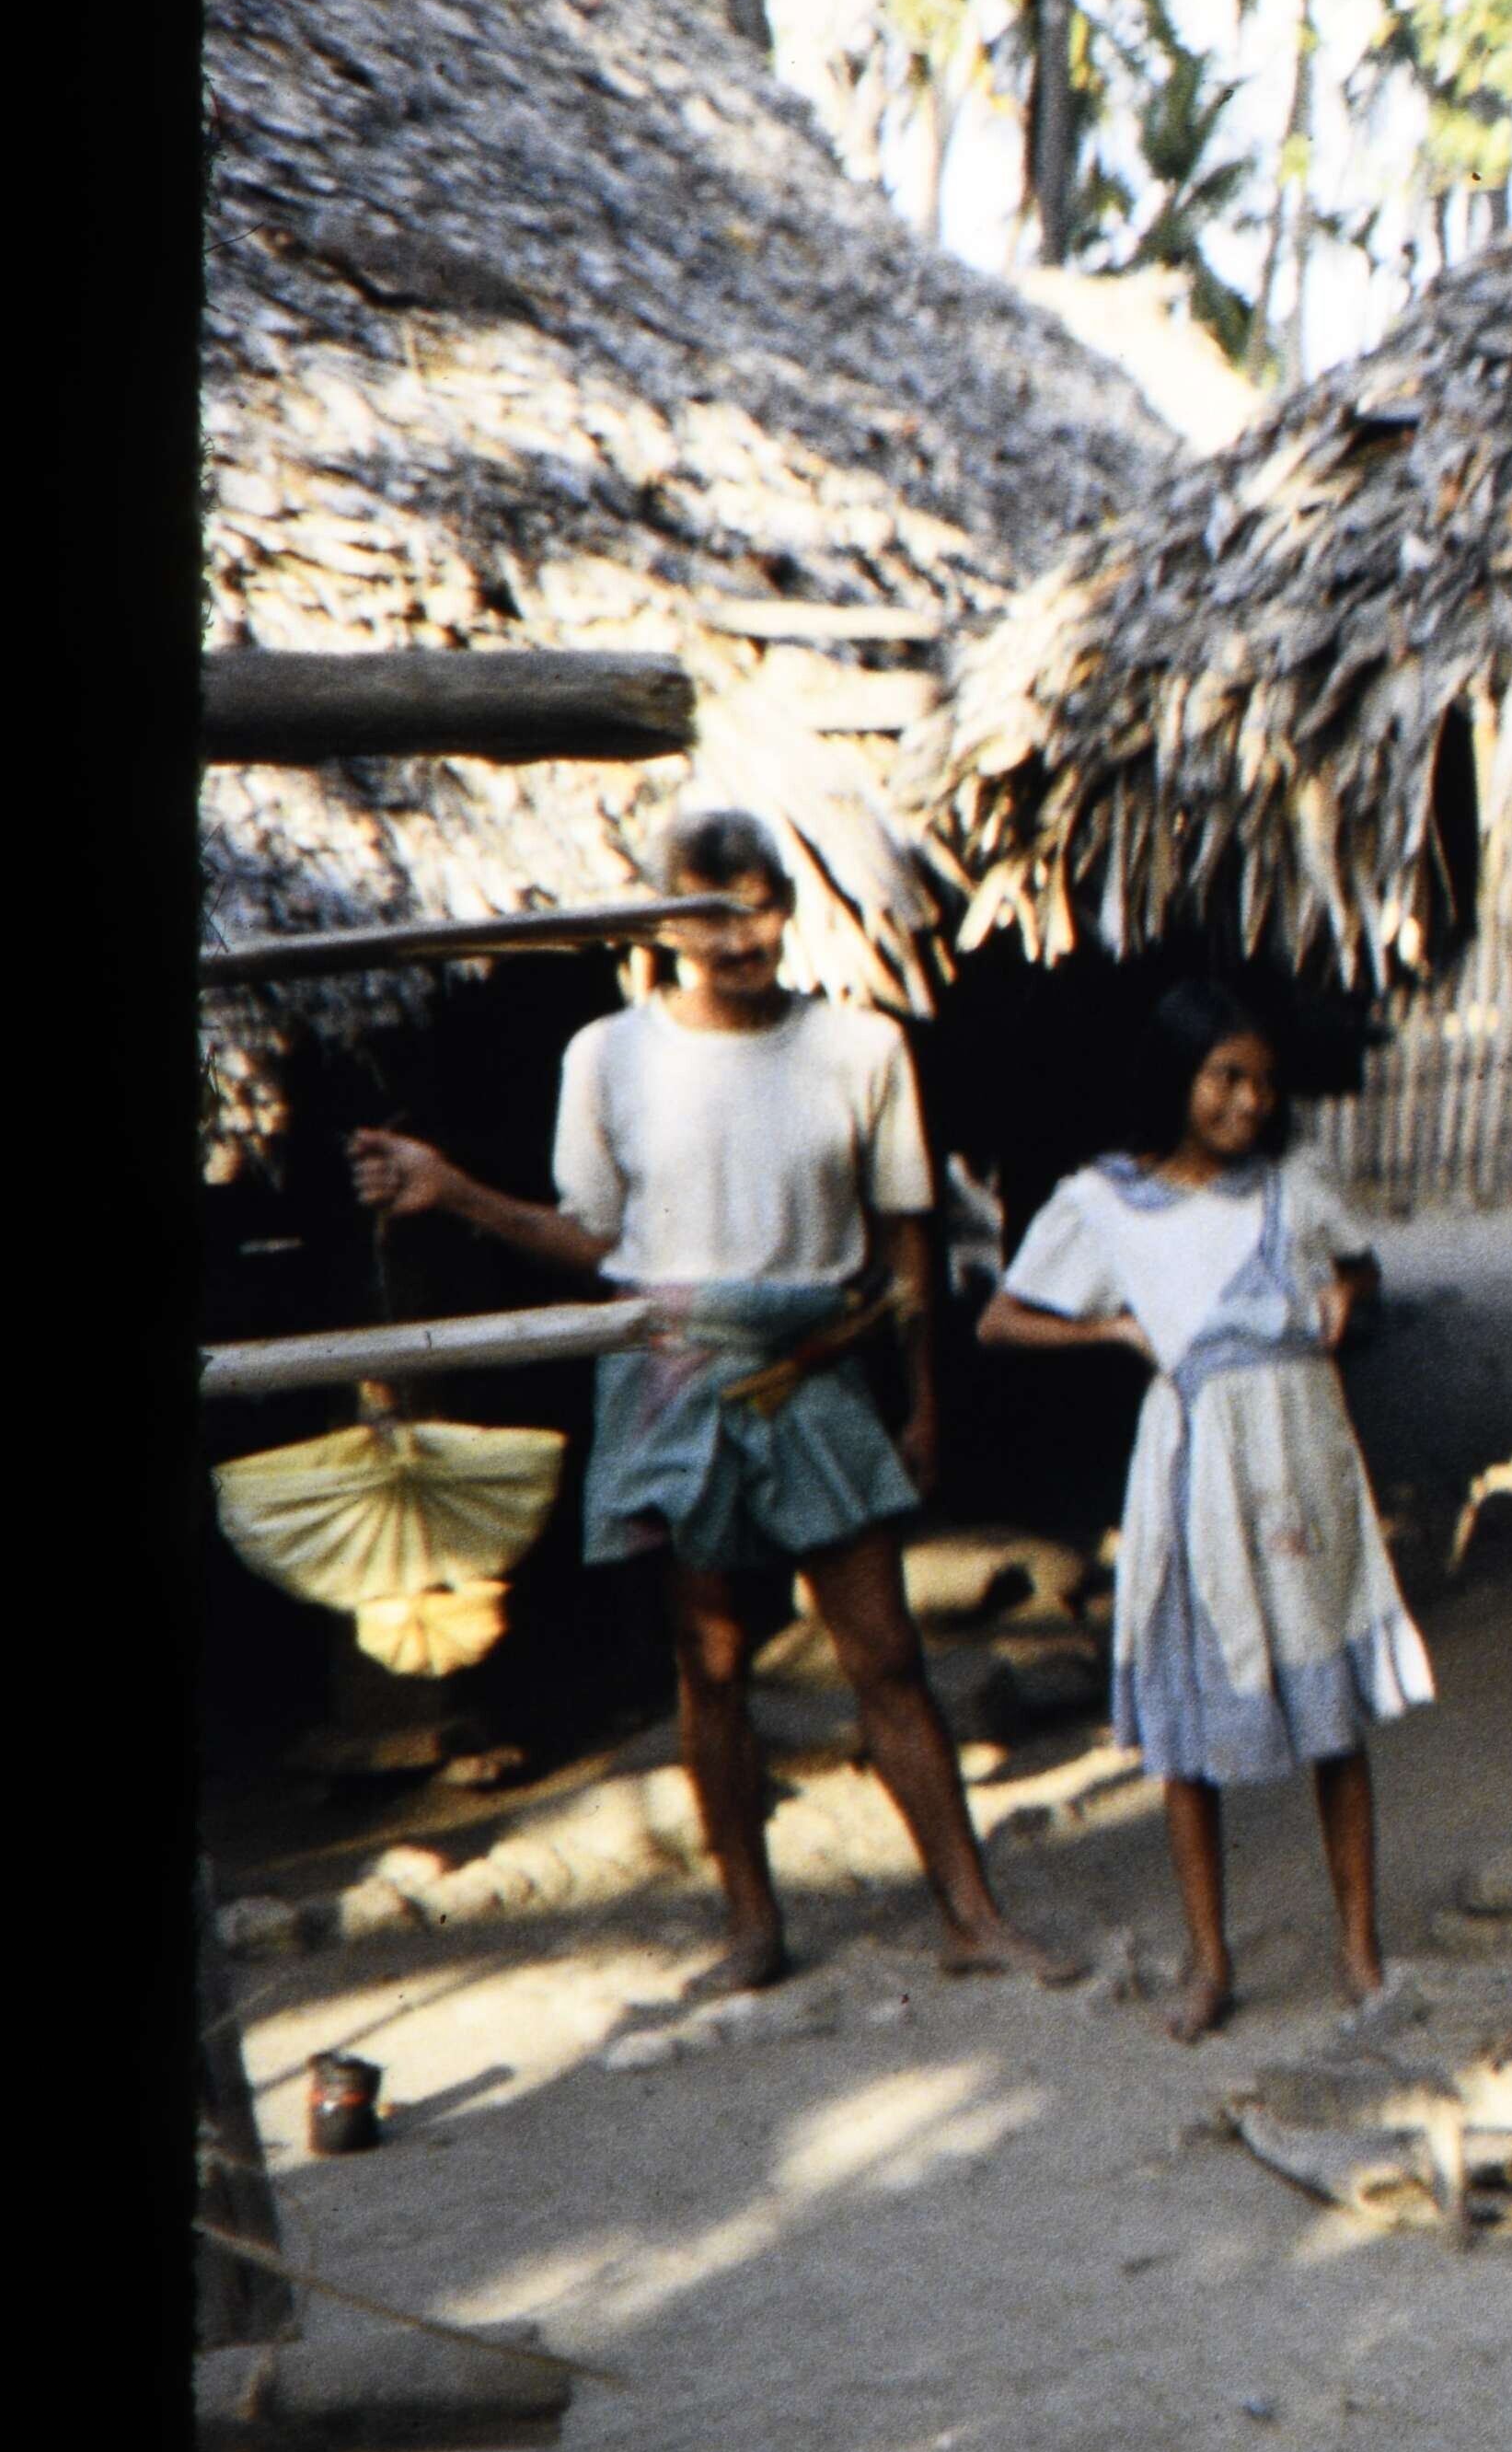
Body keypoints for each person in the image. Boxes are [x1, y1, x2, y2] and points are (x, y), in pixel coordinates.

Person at [344, 807, 1078, 1992]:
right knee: (714, 1662)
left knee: (886, 1651)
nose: (738, 939)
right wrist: (458, 1192)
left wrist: (921, 1404)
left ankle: (971, 1914)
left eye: (758, 910)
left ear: (789, 909)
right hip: (673, 1375)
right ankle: (752, 1929)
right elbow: (595, 1243)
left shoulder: (860, 1047)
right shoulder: (608, 1055)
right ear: (664, 924)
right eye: (709, 915)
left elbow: (904, 1242)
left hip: (817, 1365)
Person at [975, 983, 1433, 2041]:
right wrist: (1113, 1331)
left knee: (1330, 1710)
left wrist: (1345, 1297)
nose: (1249, 1101)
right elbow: (1003, 1318)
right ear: (1175, 1076)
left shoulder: (1297, 1186)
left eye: (1264, 1082)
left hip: (1303, 1462)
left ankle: (1359, 1949)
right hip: (1196, 1475)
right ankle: (1209, 1962)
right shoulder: (1104, 1201)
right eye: (1226, 1076)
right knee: (1190, 1728)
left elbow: (1360, 1265)